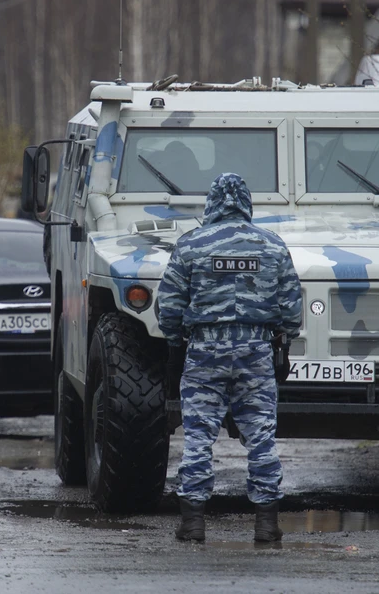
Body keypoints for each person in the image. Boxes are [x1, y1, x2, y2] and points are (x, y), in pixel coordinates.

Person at [157, 172, 302, 543]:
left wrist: (177, 343)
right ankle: (267, 524)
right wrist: (282, 341)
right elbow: (291, 310)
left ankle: (192, 523)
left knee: (198, 437)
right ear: (247, 202)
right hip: (256, 352)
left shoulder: (191, 245)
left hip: (204, 352)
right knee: (262, 438)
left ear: (212, 202)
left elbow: (169, 308)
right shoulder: (272, 246)